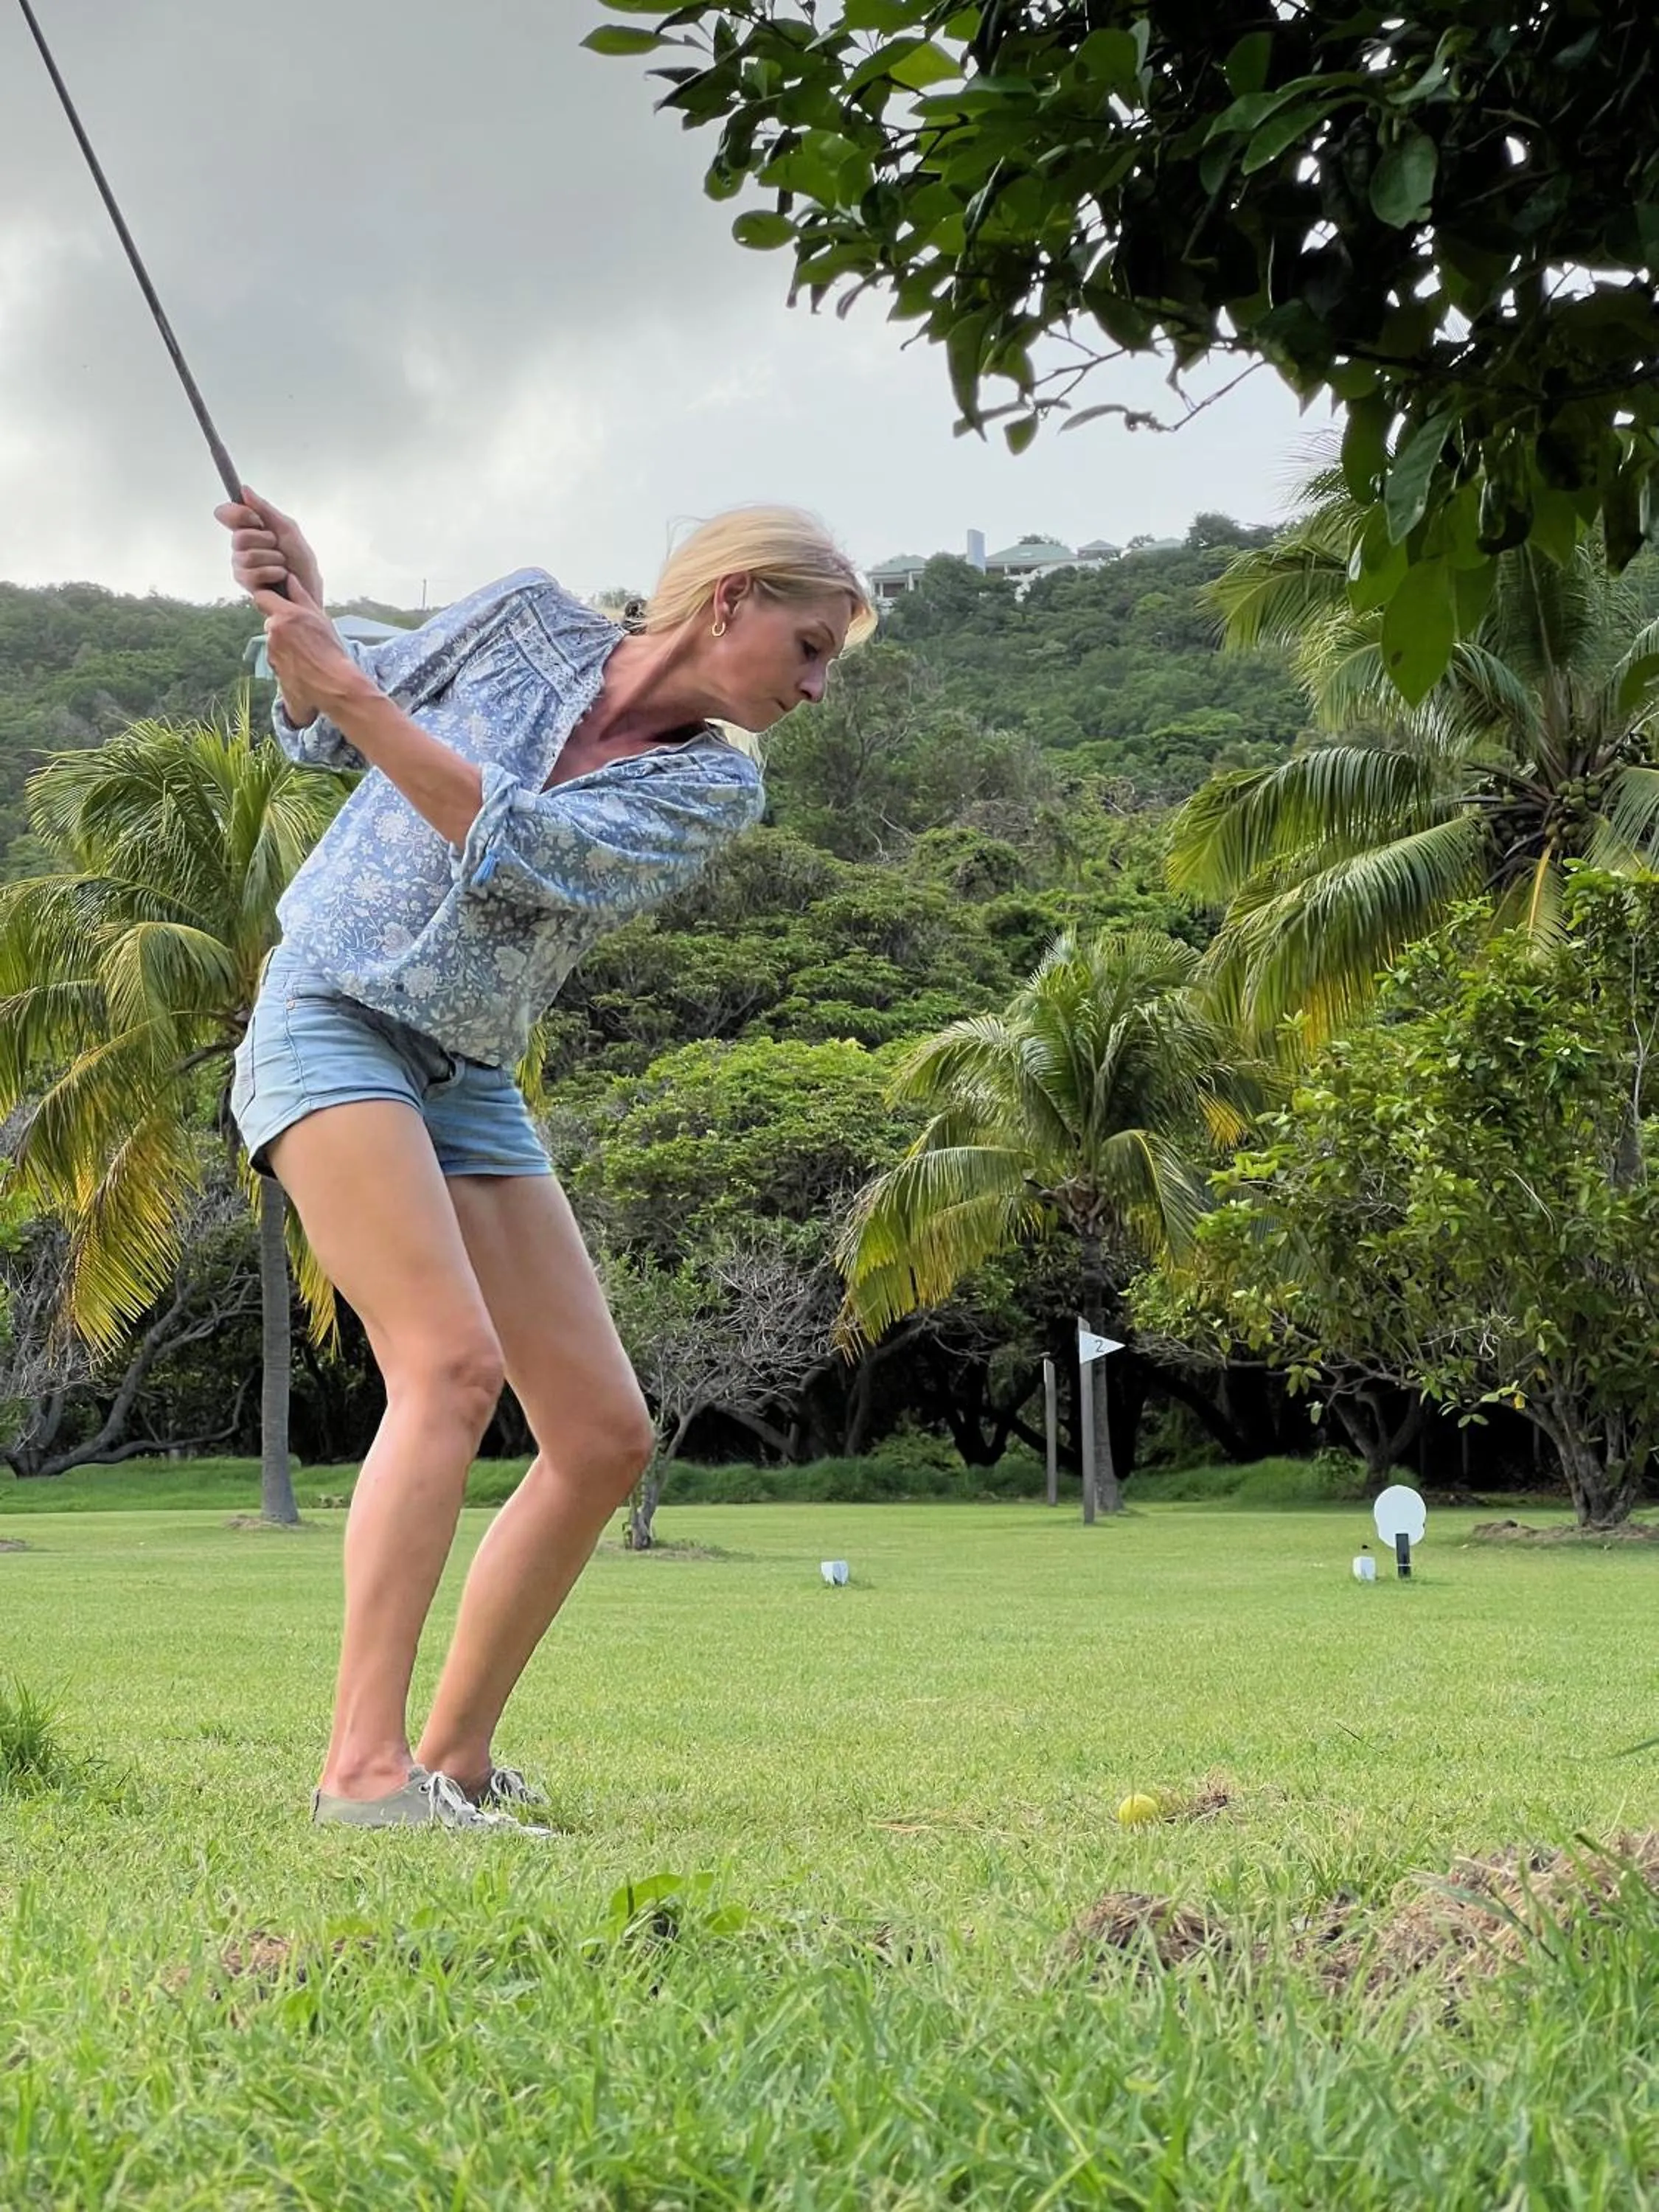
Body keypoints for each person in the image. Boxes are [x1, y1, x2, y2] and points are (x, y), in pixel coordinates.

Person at [216, 490, 875, 1830]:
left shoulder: (709, 782)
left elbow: (518, 846)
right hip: (332, 1013)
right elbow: (324, 732)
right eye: (809, 647)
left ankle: (452, 1762)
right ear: (732, 596)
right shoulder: (522, 618)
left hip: (465, 1073)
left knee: (600, 1435)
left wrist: (345, 686)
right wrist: (308, 627)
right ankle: (361, 1772)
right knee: (449, 1365)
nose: (816, 687)